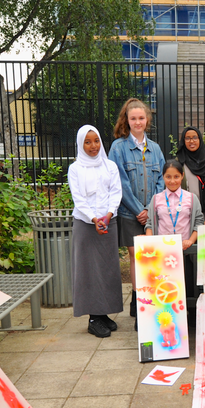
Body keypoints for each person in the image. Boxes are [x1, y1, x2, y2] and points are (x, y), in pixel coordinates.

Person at [108, 98, 166, 320]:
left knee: (151, 257)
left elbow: (161, 179)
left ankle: (151, 296)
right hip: (129, 213)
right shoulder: (118, 147)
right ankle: (136, 298)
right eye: (133, 118)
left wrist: (150, 210)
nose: (138, 122)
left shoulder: (155, 149)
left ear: (147, 120)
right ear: (127, 120)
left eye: (141, 118)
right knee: (136, 257)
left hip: (152, 214)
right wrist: (138, 210)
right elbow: (120, 183)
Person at [68, 125, 123, 338]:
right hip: (86, 225)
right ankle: (93, 318)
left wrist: (108, 216)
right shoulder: (76, 169)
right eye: (88, 142)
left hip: (109, 222)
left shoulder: (109, 166)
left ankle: (103, 313)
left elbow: (115, 192)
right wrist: (94, 218)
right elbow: (78, 198)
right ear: (81, 145)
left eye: (96, 141)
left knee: (108, 269)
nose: (93, 146)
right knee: (88, 271)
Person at [146, 160, 205, 305]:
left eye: (176, 177)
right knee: (166, 287)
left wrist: (190, 240)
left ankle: (188, 316)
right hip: (163, 252)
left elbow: (198, 222)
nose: (172, 181)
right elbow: (149, 223)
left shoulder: (191, 198)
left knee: (185, 285)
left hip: (185, 250)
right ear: (163, 177)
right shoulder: (156, 199)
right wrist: (148, 242)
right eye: (168, 177)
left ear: (182, 176)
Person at [176, 126, 205, 222]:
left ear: (200, 140)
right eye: (188, 138)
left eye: (195, 137)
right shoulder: (178, 164)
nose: (191, 141)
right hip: (182, 218)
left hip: (204, 217)